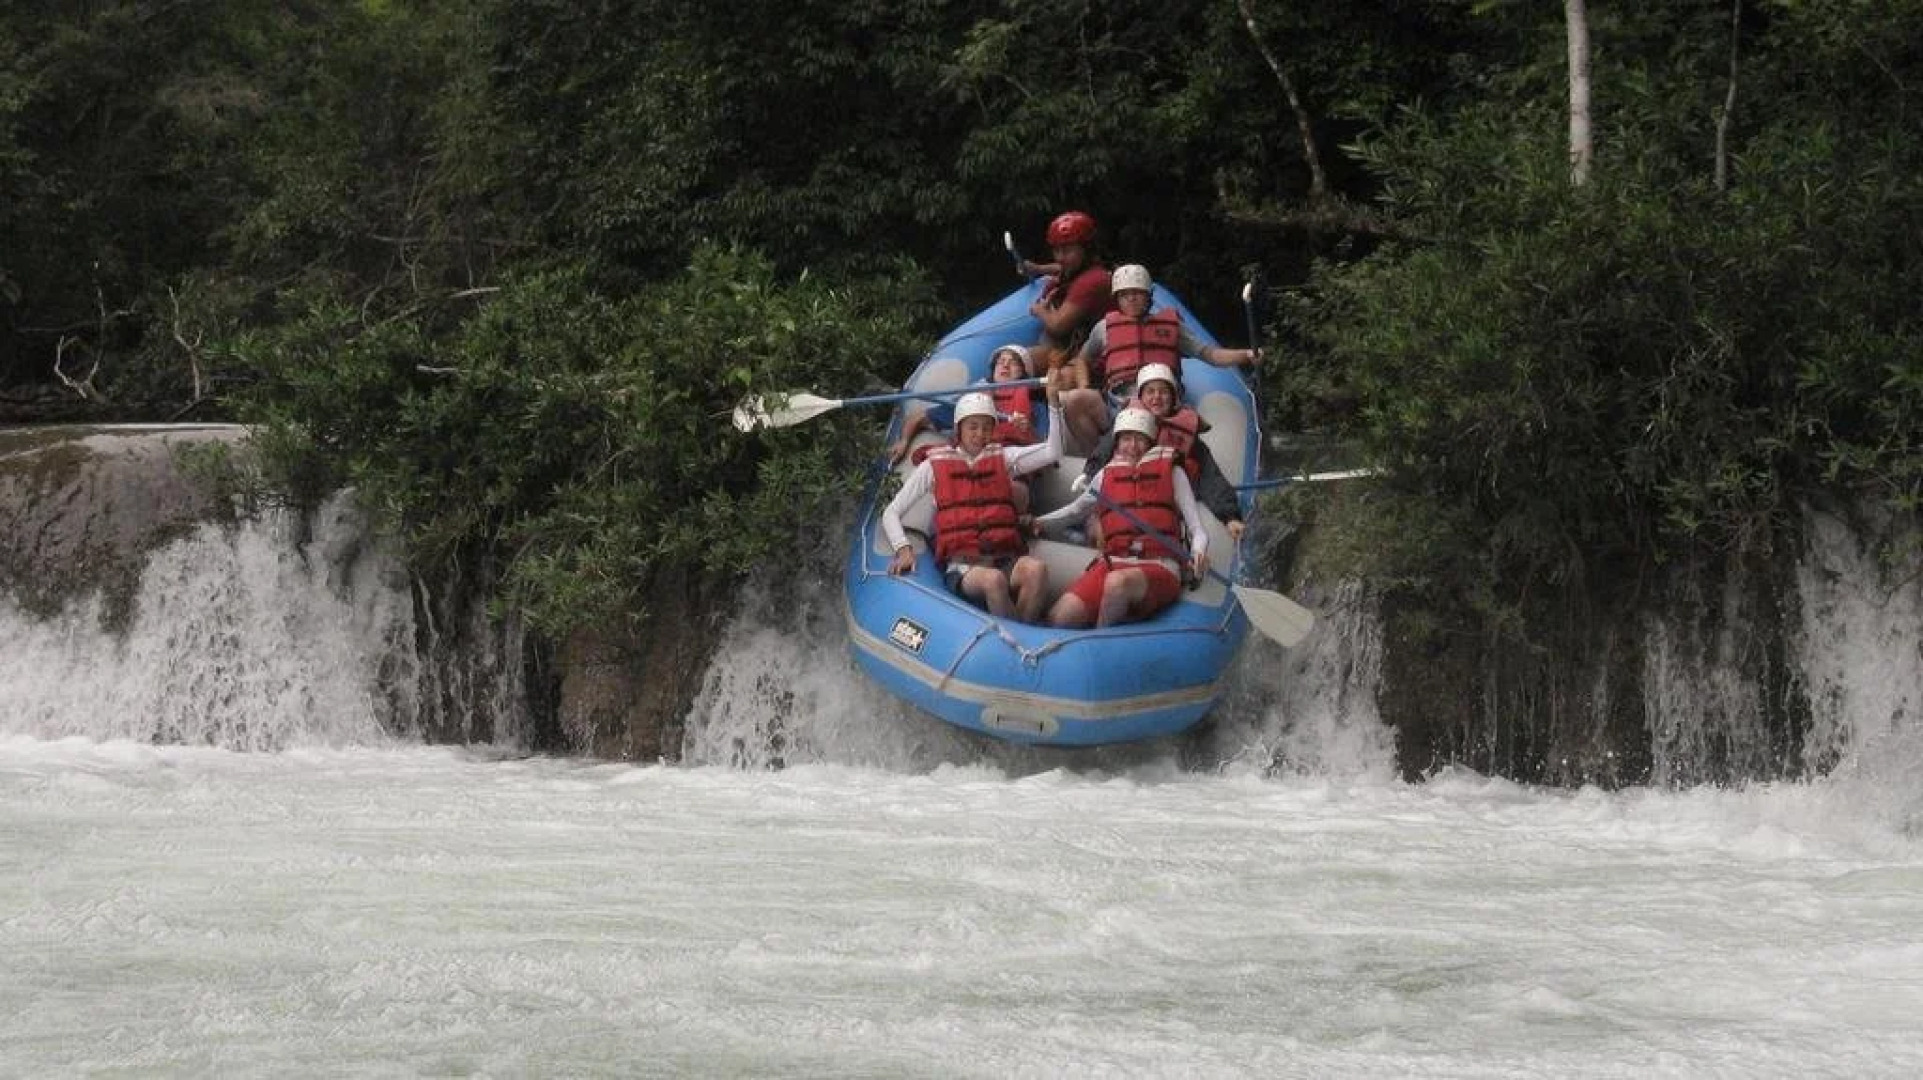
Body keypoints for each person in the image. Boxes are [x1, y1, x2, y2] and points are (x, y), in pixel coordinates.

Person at [882, 381, 1065, 623]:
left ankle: (1021, 635)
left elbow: (1053, 452)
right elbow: (891, 512)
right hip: (963, 567)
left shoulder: (1005, 458)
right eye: (973, 427)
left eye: (987, 427)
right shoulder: (932, 466)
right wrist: (903, 549)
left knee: (1036, 570)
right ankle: (1018, 640)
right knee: (993, 581)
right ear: (959, 429)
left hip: (1003, 559)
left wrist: (1054, 404)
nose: (980, 434)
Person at [1032, 406, 1208, 628]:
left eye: (1139, 439)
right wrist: (1038, 522)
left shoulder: (1173, 472)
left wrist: (1198, 551)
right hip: (1113, 562)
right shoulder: (1106, 474)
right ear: (1117, 442)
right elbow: (1075, 511)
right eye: (1126, 439)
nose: (1132, 446)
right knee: (1060, 617)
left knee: (1117, 583)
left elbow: (1197, 529)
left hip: (1160, 565)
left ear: (1150, 442)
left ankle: (1098, 644)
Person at [1059, 264, 1260, 453]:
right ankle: (1098, 461)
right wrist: (1084, 385)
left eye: (1137, 293)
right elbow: (1082, 360)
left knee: (1148, 410)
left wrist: (1246, 355)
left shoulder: (1171, 326)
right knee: (1074, 400)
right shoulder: (1103, 328)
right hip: (1118, 403)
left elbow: (1211, 355)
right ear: (1117, 299)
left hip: (1160, 402)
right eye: (1125, 294)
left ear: (1148, 297)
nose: (1131, 299)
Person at [1079, 363, 1248, 542]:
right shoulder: (1126, 424)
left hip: (1161, 506)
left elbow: (1210, 478)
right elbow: (1102, 455)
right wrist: (1089, 475)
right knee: (1099, 530)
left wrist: (1230, 517)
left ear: (1173, 397)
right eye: (1150, 391)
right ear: (1141, 397)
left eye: (1163, 392)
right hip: (1123, 499)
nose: (1157, 397)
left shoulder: (1187, 435)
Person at [1018, 211, 1115, 392]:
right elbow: (1059, 268)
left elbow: (1058, 325)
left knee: (1026, 365)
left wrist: (1040, 310)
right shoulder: (1075, 269)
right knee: (1016, 360)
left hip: (1087, 360)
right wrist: (1039, 269)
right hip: (1066, 349)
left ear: (1086, 249)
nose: (1060, 257)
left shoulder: (1092, 281)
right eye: (1057, 250)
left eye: (1067, 250)